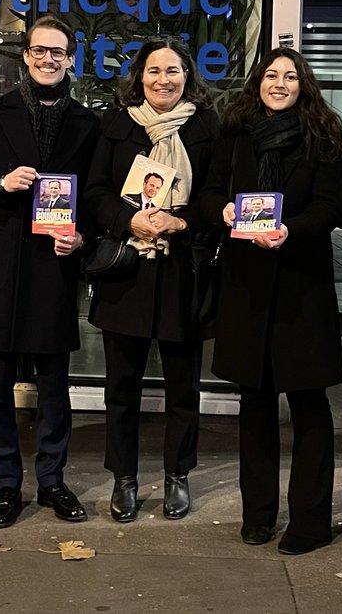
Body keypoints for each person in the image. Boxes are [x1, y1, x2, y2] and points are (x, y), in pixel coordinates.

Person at [197, 49, 342, 555]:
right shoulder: (234, 130)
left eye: (290, 76)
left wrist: (291, 231)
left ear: (303, 85)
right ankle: (257, 514)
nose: (279, 83)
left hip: (302, 284)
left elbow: (331, 206)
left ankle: (310, 521)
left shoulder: (324, 136)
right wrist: (221, 208)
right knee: (255, 403)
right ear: (257, 82)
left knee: (309, 404)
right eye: (271, 75)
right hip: (246, 285)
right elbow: (211, 189)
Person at [0, 17, 100, 529]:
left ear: (70, 60)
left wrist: (80, 234)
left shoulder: (88, 124)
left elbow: (94, 194)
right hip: (1, 262)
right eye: (40, 51)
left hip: (53, 262)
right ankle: (6, 485)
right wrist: (1, 183)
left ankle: (52, 481)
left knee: (54, 383)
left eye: (58, 53)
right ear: (25, 56)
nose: (48, 60)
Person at [85, 37, 218, 523]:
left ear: (188, 76)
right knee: (122, 386)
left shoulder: (206, 126)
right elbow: (95, 191)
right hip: (128, 272)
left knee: (184, 387)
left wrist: (182, 222)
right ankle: (124, 478)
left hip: (183, 270)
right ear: (140, 77)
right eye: (154, 70)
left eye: (174, 71)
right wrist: (129, 222)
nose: (164, 79)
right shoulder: (117, 125)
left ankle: (177, 476)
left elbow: (215, 196)